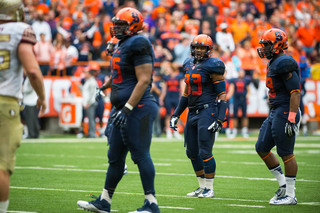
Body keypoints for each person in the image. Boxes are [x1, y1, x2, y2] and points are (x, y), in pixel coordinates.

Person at [77, 7, 160, 213]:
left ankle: (151, 204)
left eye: (122, 25)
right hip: (121, 109)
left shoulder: (139, 42)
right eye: (116, 24)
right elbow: (120, 74)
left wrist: (128, 108)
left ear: (134, 25)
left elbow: (143, 80)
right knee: (115, 157)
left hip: (138, 108)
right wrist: (105, 87)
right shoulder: (122, 44)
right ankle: (104, 202)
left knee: (140, 155)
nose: (117, 28)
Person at [0, 1, 46, 212]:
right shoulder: (20, 30)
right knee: (2, 166)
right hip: (5, 102)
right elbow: (34, 72)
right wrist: (42, 97)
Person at [170, 34, 226, 198]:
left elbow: (222, 94)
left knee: (205, 151)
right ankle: (201, 187)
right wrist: (176, 114)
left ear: (209, 50)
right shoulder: (188, 63)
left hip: (207, 110)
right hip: (192, 111)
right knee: (192, 152)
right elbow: (187, 92)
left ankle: (210, 188)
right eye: (196, 48)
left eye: (202, 48)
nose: (199, 51)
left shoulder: (214, 65)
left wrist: (220, 119)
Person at [256, 28, 301, 205]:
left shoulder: (284, 62)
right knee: (261, 147)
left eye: (267, 45)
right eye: (264, 45)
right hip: (275, 110)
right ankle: (283, 185)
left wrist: (291, 117)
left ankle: (291, 194)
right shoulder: (274, 61)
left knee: (286, 153)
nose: (264, 48)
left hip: (285, 110)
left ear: (278, 44)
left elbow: (295, 92)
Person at [228, 69, 251, 138]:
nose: (241, 74)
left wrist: (248, 95)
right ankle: (234, 131)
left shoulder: (246, 80)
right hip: (236, 99)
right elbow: (231, 87)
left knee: (244, 115)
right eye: (240, 72)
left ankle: (245, 131)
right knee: (235, 115)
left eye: (242, 73)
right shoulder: (234, 80)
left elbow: (248, 89)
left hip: (243, 99)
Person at [82, 66, 99, 138]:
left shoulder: (92, 82)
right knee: (90, 118)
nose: (85, 74)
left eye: (86, 73)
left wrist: (88, 103)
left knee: (91, 118)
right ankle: (90, 132)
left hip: (90, 103)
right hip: (89, 103)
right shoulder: (89, 81)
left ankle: (92, 134)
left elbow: (92, 94)